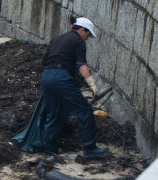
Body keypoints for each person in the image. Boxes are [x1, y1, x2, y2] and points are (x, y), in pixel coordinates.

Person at [41, 17, 109, 157]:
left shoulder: (57, 38)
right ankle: (90, 148)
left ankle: (50, 150)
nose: (87, 39)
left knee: (52, 114)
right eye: (88, 34)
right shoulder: (78, 41)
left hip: (47, 76)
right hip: (61, 78)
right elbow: (81, 65)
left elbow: (44, 61)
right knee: (84, 111)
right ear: (82, 30)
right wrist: (92, 85)